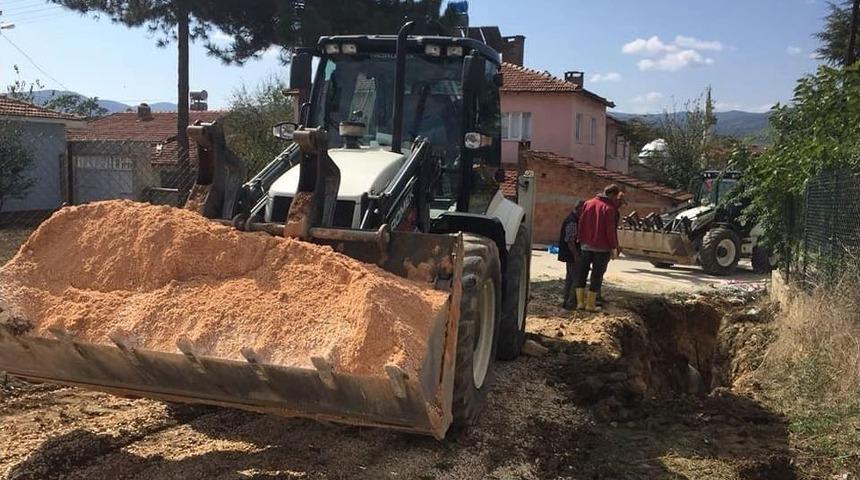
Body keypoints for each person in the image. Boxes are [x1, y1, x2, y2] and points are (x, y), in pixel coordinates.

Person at [575, 184, 622, 311]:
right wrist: (614, 247)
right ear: (612, 194)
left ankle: (580, 303)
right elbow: (610, 230)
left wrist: (580, 239)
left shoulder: (588, 203)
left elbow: (581, 223)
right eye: (616, 197)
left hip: (585, 246)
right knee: (597, 276)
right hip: (602, 248)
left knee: (582, 274)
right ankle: (590, 305)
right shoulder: (609, 208)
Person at [558, 200, 585, 310]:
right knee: (576, 279)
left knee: (570, 278)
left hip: (569, 254)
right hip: (571, 254)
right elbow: (570, 240)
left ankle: (566, 300)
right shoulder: (572, 221)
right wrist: (576, 255)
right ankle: (570, 302)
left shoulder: (573, 219)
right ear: (579, 208)